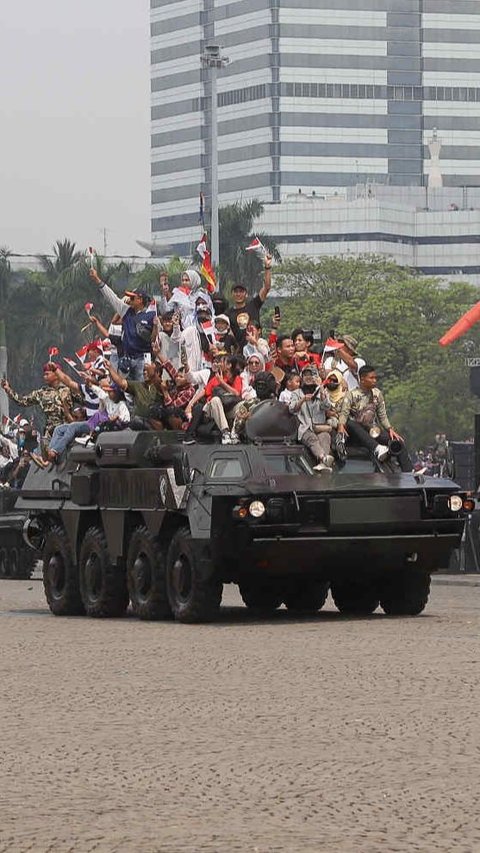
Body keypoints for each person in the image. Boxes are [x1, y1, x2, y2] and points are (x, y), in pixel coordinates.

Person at [337, 365, 411, 471]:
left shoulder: (377, 394)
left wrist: (390, 429)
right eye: (371, 378)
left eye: (375, 378)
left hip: (371, 431)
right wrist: (340, 426)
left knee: (397, 441)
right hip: (355, 434)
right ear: (362, 379)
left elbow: (382, 415)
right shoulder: (351, 395)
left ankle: (409, 472)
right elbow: (344, 413)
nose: (374, 380)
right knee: (351, 423)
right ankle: (377, 449)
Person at [89, 268, 155, 380]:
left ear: (140, 300)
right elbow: (112, 298)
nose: (129, 299)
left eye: (132, 297)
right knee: (123, 390)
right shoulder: (126, 311)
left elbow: (154, 338)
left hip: (142, 360)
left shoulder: (151, 315)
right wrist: (97, 280)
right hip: (126, 359)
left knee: (140, 390)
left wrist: (156, 326)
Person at [1, 363, 80, 439]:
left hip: (68, 431)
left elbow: (85, 401)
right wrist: (8, 390)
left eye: (47, 374)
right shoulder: (41, 393)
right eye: (44, 374)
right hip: (50, 433)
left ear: (56, 374)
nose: (44, 377)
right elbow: (22, 401)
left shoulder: (69, 390)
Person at [286, 379, 334, 472]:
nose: (309, 379)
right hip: (305, 427)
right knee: (312, 439)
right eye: (306, 376)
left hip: (320, 427)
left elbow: (327, 406)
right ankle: (323, 458)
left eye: (311, 377)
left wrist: (322, 393)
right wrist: (303, 399)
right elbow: (292, 409)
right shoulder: (296, 393)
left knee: (325, 437)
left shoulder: (321, 392)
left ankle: (323, 464)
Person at [227, 255, 272, 347]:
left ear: (246, 294)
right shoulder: (228, 313)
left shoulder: (253, 305)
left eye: (241, 291)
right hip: (240, 353)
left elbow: (267, 287)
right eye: (236, 292)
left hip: (257, 349)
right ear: (232, 294)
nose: (238, 294)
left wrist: (267, 267)